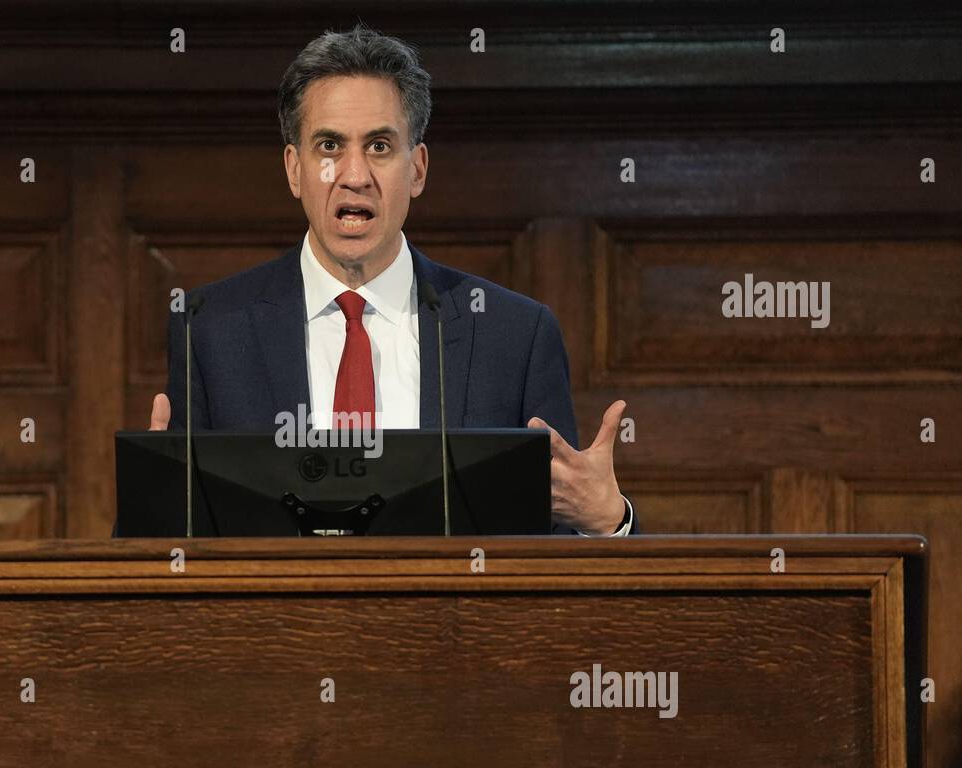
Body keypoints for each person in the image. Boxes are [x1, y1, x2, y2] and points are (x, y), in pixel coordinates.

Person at [148, 25, 637, 536]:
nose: (354, 174)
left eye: (380, 145)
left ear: (418, 168)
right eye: (329, 145)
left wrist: (606, 520)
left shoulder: (512, 334)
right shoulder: (212, 331)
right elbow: (169, 556)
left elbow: (556, 552)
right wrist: (154, 514)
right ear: (295, 169)